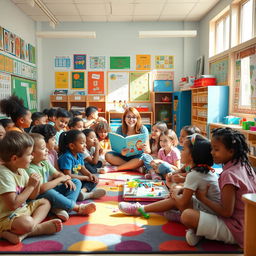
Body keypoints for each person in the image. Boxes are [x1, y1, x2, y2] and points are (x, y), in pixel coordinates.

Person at [118, 134, 220, 226]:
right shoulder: (200, 170)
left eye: (183, 149)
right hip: (206, 208)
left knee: (175, 198)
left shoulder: (194, 175)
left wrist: (174, 191)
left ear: (193, 156)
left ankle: (140, 209)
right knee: (176, 194)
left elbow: (183, 202)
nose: (181, 151)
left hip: (207, 215)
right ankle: (141, 209)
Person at [181, 128, 256, 248]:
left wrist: (203, 198)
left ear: (231, 151)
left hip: (237, 229)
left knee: (187, 215)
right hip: (249, 225)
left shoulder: (229, 175)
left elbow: (226, 212)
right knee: (191, 203)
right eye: (211, 148)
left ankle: (201, 231)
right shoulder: (245, 165)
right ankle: (202, 230)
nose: (211, 153)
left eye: (216, 149)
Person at [0, 131, 62, 244]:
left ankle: (28, 229)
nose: (32, 157)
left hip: (21, 210)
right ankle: (36, 229)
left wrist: (36, 184)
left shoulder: (21, 169)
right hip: (5, 216)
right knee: (26, 223)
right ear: (14, 158)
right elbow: (13, 205)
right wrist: (31, 186)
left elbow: (33, 196)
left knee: (45, 202)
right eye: (29, 154)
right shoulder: (4, 174)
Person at [26, 133, 96, 222]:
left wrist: (66, 179)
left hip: (47, 191)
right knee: (49, 191)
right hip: (37, 198)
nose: (47, 150)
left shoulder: (44, 162)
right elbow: (41, 189)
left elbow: (58, 174)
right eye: (43, 148)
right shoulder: (30, 168)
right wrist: (61, 179)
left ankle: (62, 207)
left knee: (76, 182)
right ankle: (77, 208)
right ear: (32, 153)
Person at [58, 130, 106, 202]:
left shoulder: (79, 155)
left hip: (77, 180)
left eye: (85, 142)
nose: (85, 145)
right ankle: (87, 194)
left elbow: (81, 168)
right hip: (67, 182)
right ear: (72, 146)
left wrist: (90, 175)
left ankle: (82, 192)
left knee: (94, 180)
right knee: (79, 181)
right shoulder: (67, 157)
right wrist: (85, 178)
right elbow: (68, 175)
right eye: (82, 143)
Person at [104, 107, 150, 172]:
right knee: (107, 155)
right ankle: (134, 167)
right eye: (128, 117)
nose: (131, 119)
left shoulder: (143, 129)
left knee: (142, 159)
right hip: (123, 157)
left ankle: (116, 168)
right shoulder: (120, 129)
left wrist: (145, 149)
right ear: (124, 119)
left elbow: (148, 150)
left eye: (134, 117)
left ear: (137, 119)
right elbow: (117, 149)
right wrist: (122, 153)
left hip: (137, 157)